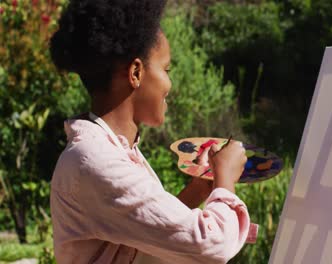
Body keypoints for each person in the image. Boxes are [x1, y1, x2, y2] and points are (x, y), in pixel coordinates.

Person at [48, 1, 256, 263]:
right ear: (136, 72)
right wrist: (226, 179)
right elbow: (209, 244)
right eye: (167, 70)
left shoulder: (109, 151)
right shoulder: (95, 160)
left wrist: (198, 190)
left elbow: (147, 234)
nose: (170, 84)